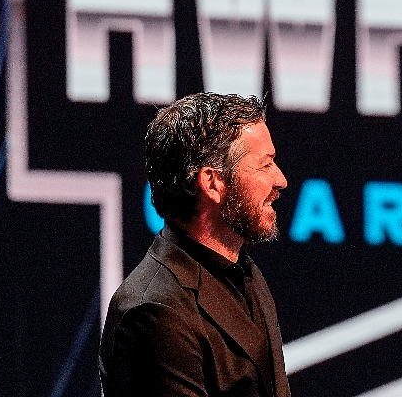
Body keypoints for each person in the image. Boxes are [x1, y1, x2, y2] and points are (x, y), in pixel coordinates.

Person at [100, 93, 291, 397]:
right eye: (265, 165)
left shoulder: (243, 271)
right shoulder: (153, 312)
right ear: (213, 183)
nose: (280, 180)